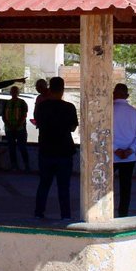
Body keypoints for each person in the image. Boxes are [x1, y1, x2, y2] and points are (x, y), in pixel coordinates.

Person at [34, 77, 78, 219]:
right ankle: (65, 216)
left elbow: (38, 123)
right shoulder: (69, 107)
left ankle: (38, 213)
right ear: (62, 89)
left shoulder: (41, 106)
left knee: (44, 184)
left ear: (49, 88)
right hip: (64, 150)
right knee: (64, 187)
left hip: (46, 150)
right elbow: (72, 127)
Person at [112, 83, 136, 217]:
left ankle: (105, 211)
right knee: (126, 187)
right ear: (127, 96)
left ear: (113, 94)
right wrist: (131, 149)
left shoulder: (107, 111)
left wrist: (115, 149)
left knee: (106, 186)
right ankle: (123, 213)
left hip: (112, 156)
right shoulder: (134, 112)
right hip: (129, 157)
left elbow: (102, 133)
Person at [2, 85, 30, 171]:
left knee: (22, 147)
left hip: (20, 129)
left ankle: (26, 165)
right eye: (12, 91)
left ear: (18, 93)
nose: (14, 93)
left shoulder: (22, 102)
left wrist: (17, 125)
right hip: (9, 129)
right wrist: (9, 125)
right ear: (10, 93)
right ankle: (14, 165)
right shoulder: (6, 103)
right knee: (11, 148)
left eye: (15, 91)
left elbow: (24, 115)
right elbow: (3, 116)